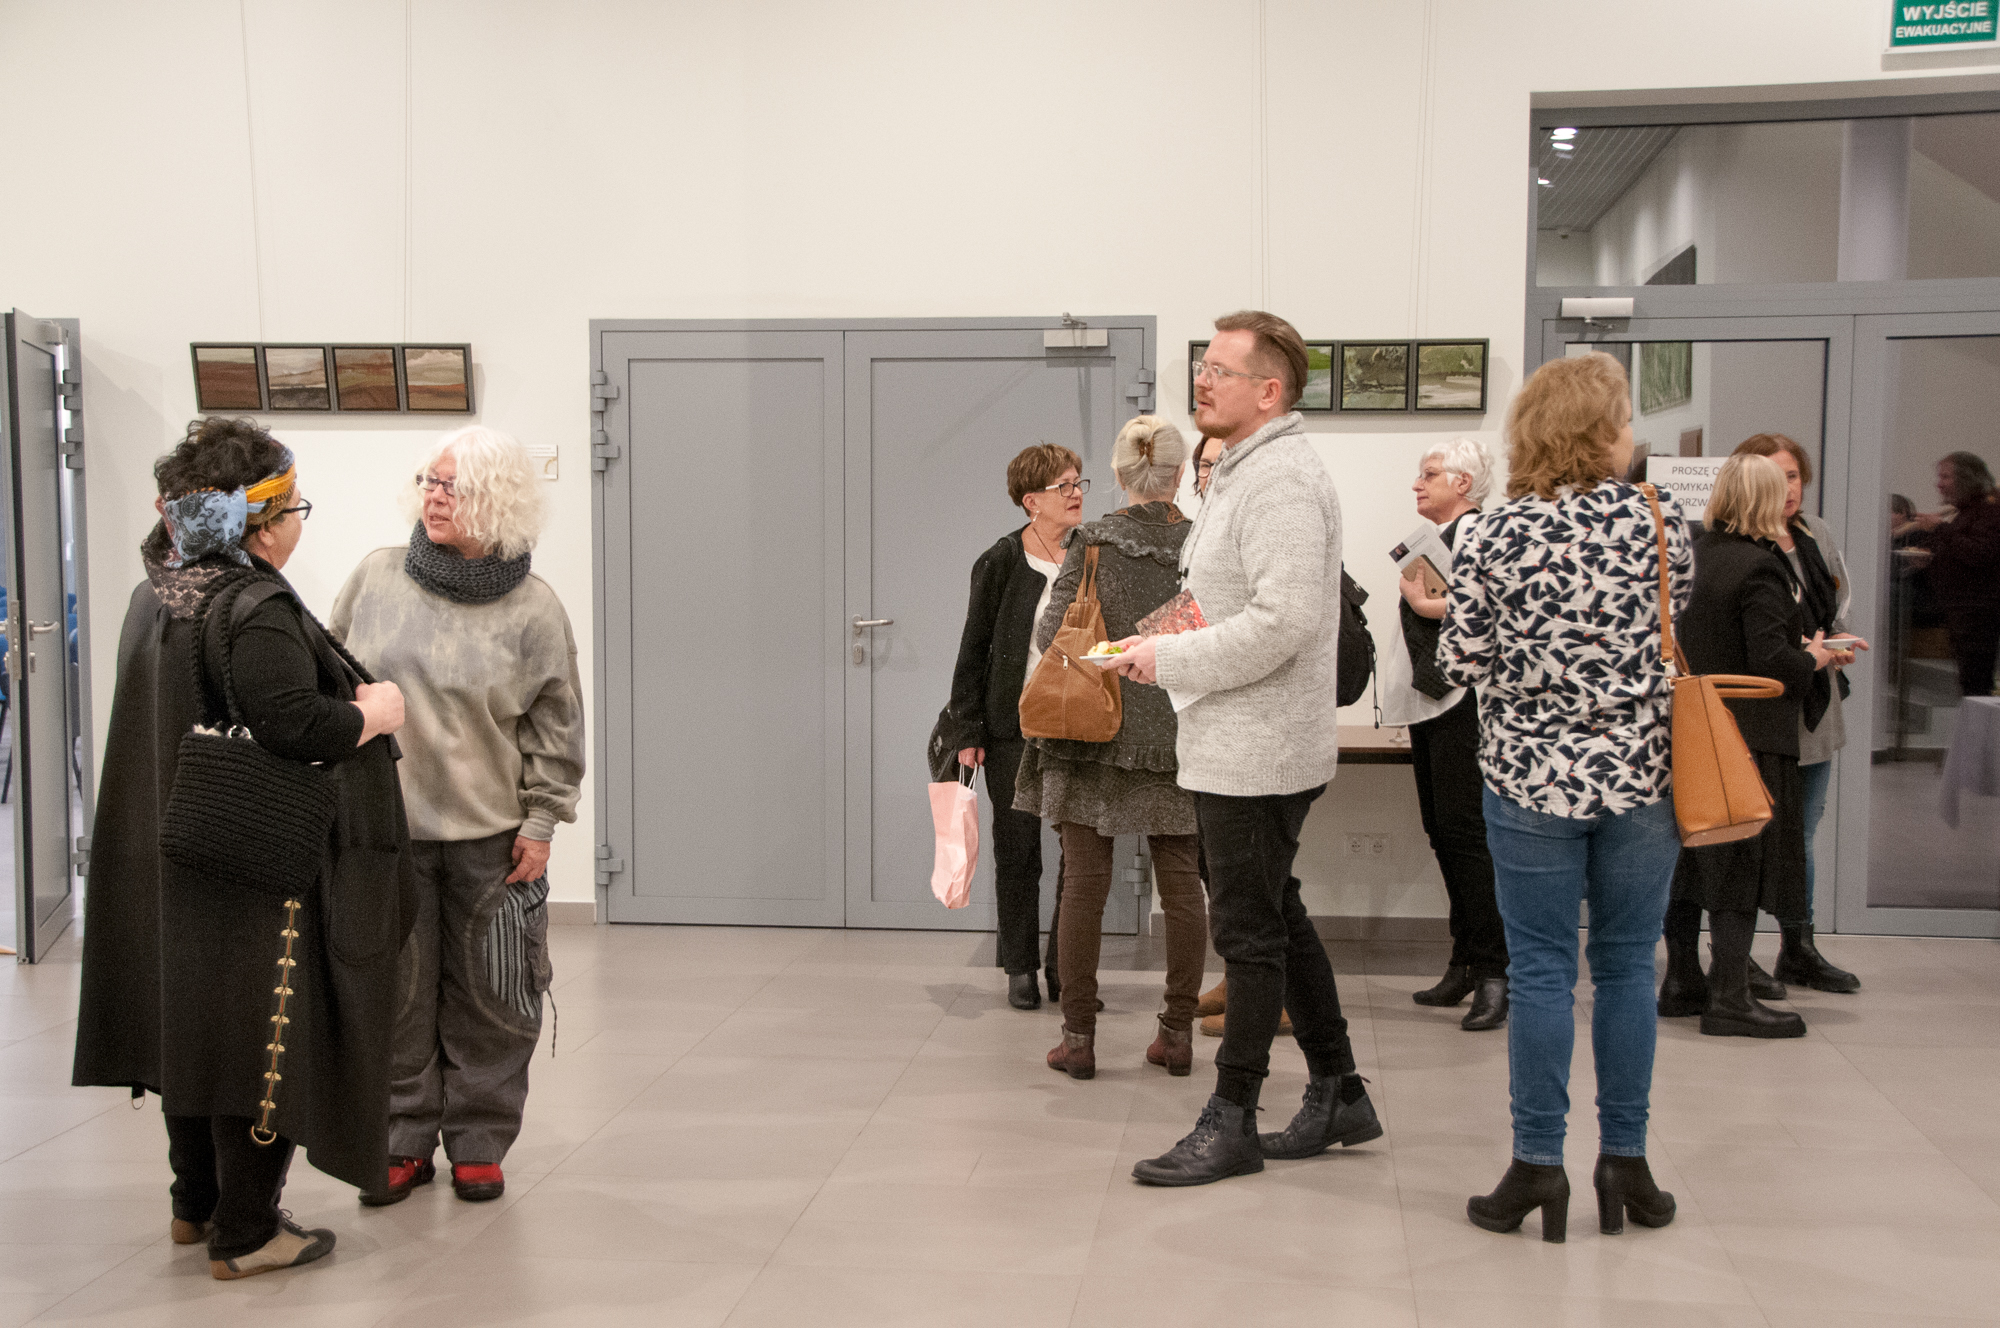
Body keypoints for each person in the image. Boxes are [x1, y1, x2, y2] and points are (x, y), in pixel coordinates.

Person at [72, 417, 413, 1279]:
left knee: (188, 1032)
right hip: (251, 865)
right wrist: (372, 712)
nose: (300, 522)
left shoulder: (159, 593)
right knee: (262, 1039)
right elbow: (297, 724)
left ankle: (195, 1206)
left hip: (175, 856)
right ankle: (250, 1231)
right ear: (260, 524)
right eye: (295, 507)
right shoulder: (254, 608)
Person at [1109, 311, 1379, 1186]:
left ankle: (1232, 1121)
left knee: (1249, 936)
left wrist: (1168, 659)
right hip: (1233, 738)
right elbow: (1218, 596)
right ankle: (1340, 1090)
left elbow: (1283, 620)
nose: (1202, 381)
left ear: (1269, 391)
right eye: (1203, 366)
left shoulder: (1281, 481)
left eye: (1220, 370)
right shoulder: (1241, 470)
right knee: (1275, 915)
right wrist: (1145, 643)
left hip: (1260, 749)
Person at [1439, 353, 1688, 1243]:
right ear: (1601, 429)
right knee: (1625, 967)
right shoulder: (1660, 521)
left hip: (1529, 776)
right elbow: (1669, 632)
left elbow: (1459, 660)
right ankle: (1627, 1162)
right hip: (1642, 777)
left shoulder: (1490, 533)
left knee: (1542, 970)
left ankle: (1537, 1164)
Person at [330, 427, 584, 1206]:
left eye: (453, 488)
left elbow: (555, 724)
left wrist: (542, 821)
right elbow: (331, 682)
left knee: (495, 995)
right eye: (429, 483)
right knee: (398, 994)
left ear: (496, 500)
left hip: (493, 841)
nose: (434, 499)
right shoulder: (375, 578)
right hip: (387, 834)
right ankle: (402, 1137)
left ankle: (480, 1139)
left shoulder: (534, 608)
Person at [1015, 416, 1207, 1079]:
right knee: (1182, 888)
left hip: (1089, 731)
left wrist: (1113, 653)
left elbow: (1052, 634)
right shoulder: (1202, 542)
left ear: (1121, 474)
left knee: (1083, 889)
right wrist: (1154, 648)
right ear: (1179, 473)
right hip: (1177, 735)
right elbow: (1215, 633)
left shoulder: (1092, 540)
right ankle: (1176, 1034)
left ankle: (1079, 1039)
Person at [1659, 456, 1842, 1040]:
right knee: (1739, 862)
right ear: (1763, 500)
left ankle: (1681, 980)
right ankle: (1731, 997)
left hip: (1692, 729)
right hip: (1750, 736)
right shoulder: (1760, 567)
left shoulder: (1695, 553)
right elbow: (1772, 662)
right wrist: (1815, 656)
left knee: (1691, 861)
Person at [949, 444, 1088, 1008]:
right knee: (1018, 850)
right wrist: (967, 730)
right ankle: (1021, 968)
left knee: (1081, 854)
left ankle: (1066, 968)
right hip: (1013, 726)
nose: (1076, 493)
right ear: (1032, 501)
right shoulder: (1001, 560)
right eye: (1064, 486)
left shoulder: (1093, 554)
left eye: (1079, 483)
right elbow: (974, 649)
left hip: (1077, 723)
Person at [1728, 434, 1862, 994]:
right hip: (1760, 712)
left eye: (1794, 475)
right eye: (1775, 476)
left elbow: (1836, 605)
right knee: (1746, 838)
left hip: (1813, 704)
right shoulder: (1736, 544)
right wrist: (1800, 648)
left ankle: (1798, 947)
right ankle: (1734, 954)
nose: (1788, 488)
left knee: (1801, 835)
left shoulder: (1815, 533)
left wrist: (1833, 644)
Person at [1383, 438, 1508, 1031]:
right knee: (1444, 833)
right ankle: (1466, 961)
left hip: (1465, 704)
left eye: (1430, 474)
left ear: (1463, 483)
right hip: (1434, 706)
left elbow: (1497, 614)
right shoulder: (1438, 540)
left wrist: (1431, 605)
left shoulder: (1484, 535)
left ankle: (1495, 972)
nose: (1417, 483)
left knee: (1466, 838)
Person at [1903, 451, 2000, 697]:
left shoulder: (1990, 511)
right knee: (1969, 685)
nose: (1939, 484)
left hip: (1979, 614)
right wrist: (1926, 557)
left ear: (1967, 478)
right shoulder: (1965, 512)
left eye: (1946, 477)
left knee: (1976, 687)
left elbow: (1979, 554)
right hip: (1960, 612)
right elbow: (1955, 552)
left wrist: (1940, 528)